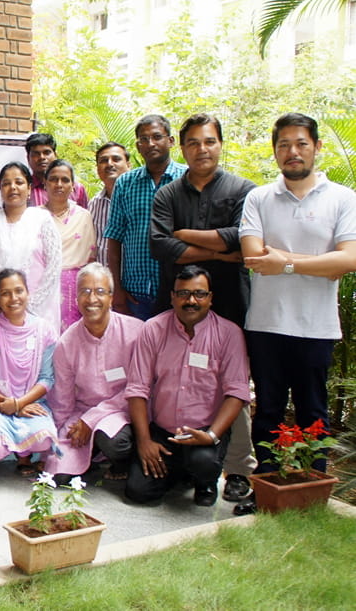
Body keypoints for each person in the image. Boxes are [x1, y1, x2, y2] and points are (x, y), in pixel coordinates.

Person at [240, 113, 356, 493]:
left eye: (301, 143)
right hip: (266, 325)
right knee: (268, 412)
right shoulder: (259, 198)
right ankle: (266, 488)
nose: (293, 151)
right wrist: (321, 263)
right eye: (284, 145)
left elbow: (349, 259)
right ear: (275, 151)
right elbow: (255, 256)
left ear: (316, 147)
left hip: (316, 326)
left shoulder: (343, 199)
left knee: (313, 414)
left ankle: (311, 488)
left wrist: (286, 263)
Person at [149, 113, 258, 502]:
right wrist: (221, 252)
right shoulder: (167, 195)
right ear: (182, 148)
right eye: (193, 143)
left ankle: (238, 469)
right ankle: (184, 460)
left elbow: (242, 238)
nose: (202, 149)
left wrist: (187, 236)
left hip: (229, 302)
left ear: (220, 144)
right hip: (180, 305)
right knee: (175, 377)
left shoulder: (244, 190)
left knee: (235, 384)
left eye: (209, 141)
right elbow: (160, 245)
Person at [124, 266, 249, 506]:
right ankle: (180, 473)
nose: (191, 301)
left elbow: (236, 392)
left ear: (210, 298)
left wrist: (211, 436)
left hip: (203, 432)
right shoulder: (153, 329)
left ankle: (203, 480)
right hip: (163, 433)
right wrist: (144, 441)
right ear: (172, 297)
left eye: (199, 294)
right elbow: (137, 388)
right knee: (138, 492)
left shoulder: (229, 333)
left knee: (204, 463)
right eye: (183, 294)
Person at [46, 263, 142, 481]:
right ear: (76, 298)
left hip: (123, 411)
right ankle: (92, 454)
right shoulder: (66, 344)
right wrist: (57, 437)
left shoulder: (136, 332)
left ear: (111, 297)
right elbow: (62, 399)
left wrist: (92, 420)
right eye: (85, 291)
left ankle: (118, 460)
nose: (92, 299)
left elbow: (138, 388)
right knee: (59, 474)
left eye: (99, 291)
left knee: (114, 443)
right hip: (82, 413)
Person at [0, 268, 60, 476]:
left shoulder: (44, 330)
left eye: (19, 291)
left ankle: (24, 454)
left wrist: (19, 404)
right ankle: (2, 451)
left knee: (44, 441)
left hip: (30, 403)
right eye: (5, 293)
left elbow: (47, 378)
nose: (13, 298)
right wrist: (8, 405)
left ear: (28, 292)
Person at [104, 115, 187, 320]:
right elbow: (114, 238)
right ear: (138, 146)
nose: (150, 144)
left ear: (171, 141)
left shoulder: (187, 179)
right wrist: (117, 290)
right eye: (144, 139)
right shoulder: (125, 183)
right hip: (135, 294)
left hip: (179, 291)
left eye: (157, 137)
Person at [0, 161, 62, 329]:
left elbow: (53, 267)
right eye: (6, 183)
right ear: (0, 190)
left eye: (19, 182)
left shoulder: (42, 220)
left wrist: (28, 307)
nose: (13, 187)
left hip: (36, 313)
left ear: (29, 188)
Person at [43, 159, 96, 330]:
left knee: (74, 337)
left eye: (65, 180)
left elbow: (91, 258)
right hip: (42, 289)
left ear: (73, 185)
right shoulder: (34, 216)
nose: (59, 184)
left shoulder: (83, 216)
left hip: (76, 290)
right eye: (53, 179)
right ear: (45, 183)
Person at [87, 142, 131, 267]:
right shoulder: (93, 204)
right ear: (97, 168)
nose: (109, 164)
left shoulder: (139, 200)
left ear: (128, 165)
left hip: (133, 276)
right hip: (102, 276)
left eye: (116, 159)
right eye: (103, 160)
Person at [23, 133, 88, 208]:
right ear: (28, 158)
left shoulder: (77, 189)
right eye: (36, 154)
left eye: (47, 153)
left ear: (55, 155)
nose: (42, 157)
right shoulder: (22, 189)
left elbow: (84, 214)